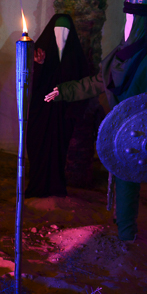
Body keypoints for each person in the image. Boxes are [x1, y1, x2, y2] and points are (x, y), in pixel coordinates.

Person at [45, 0, 147, 242]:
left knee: (128, 179)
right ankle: (121, 225)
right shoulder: (127, 48)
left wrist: (146, 130)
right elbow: (101, 81)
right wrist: (65, 91)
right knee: (120, 176)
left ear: (143, 18)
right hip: (119, 126)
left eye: (132, 15)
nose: (128, 21)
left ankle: (127, 237)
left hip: (140, 129)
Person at [26, 14, 88, 198]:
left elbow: (83, 86)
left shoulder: (75, 56)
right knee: (38, 148)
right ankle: (37, 186)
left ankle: (55, 188)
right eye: (57, 32)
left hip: (63, 115)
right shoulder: (39, 51)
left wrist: (71, 110)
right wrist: (39, 65)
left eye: (66, 32)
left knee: (58, 152)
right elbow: (29, 84)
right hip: (41, 112)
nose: (61, 37)